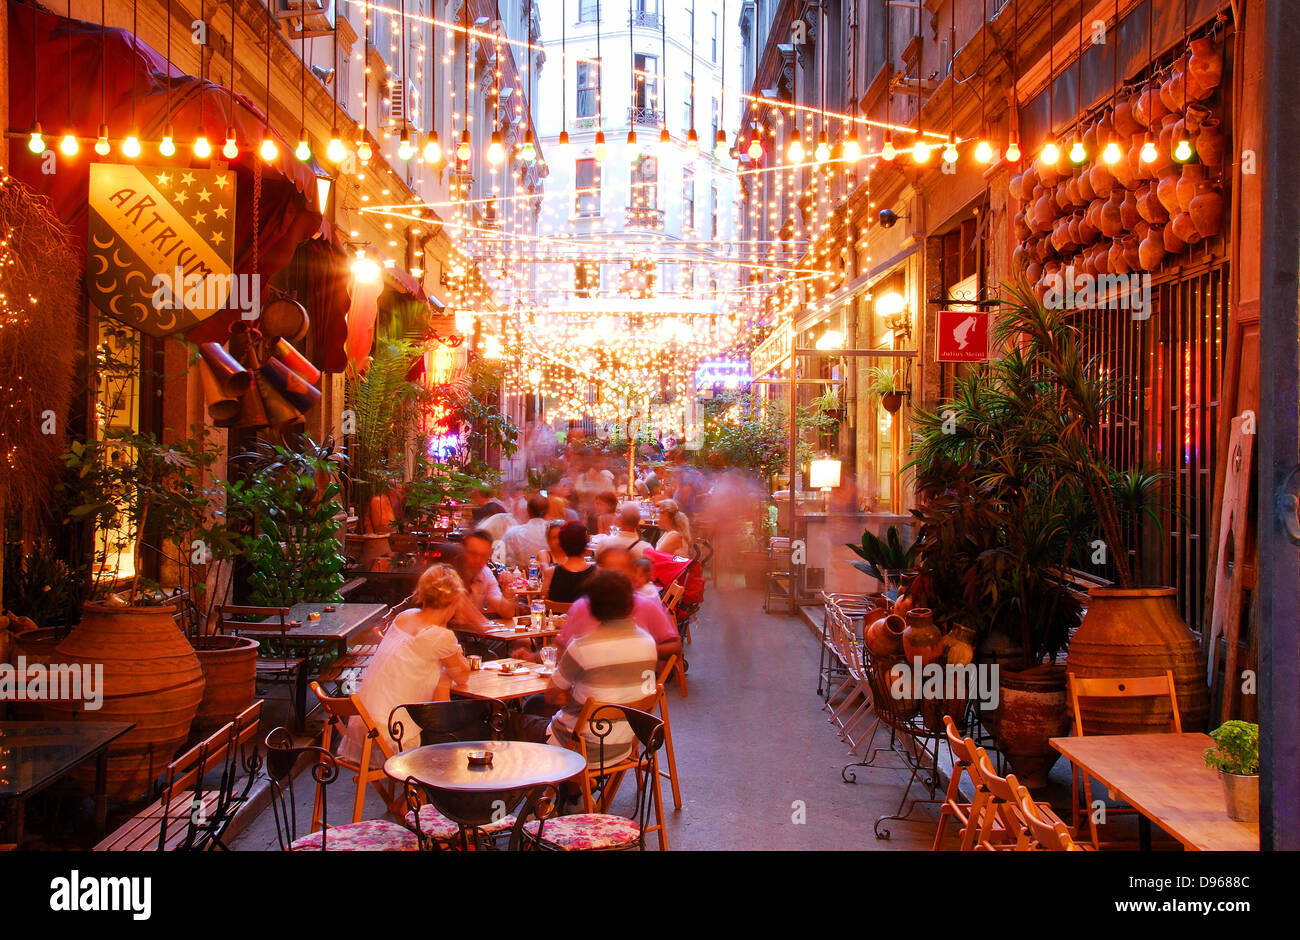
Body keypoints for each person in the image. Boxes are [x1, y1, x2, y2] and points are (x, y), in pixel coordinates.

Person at [513, 569, 658, 766]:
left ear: (592, 607)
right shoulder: (648, 643)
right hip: (623, 746)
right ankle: (574, 791)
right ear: (631, 604)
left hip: (581, 749)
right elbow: (642, 690)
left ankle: (540, 788)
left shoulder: (582, 647)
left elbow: (552, 695)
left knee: (513, 719)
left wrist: (571, 693)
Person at [339, 565, 471, 762]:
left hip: (365, 724)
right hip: (393, 732)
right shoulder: (440, 636)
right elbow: (462, 676)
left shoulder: (405, 617)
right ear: (455, 600)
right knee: (472, 729)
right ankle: (444, 787)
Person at [449, 529, 516, 632]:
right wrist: (487, 624)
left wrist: (508, 593)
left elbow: (506, 613)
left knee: (523, 641)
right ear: (462, 551)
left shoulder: (485, 573)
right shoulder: (449, 571)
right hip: (448, 636)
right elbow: (464, 606)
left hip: (474, 636)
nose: (478, 560)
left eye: (484, 555)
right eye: (473, 554)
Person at [542, 521, 596, 604]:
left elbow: (543, 603)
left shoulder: (550, 572)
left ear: (562, 544)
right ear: (586, 544)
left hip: (558, 617)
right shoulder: (597, 573)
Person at [500, 495, 550, 568]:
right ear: (548, 511)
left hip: (519, 577)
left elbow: (501, 558)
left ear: (527, 510)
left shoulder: (513, 533)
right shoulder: (555, 533)